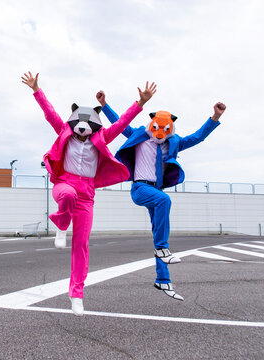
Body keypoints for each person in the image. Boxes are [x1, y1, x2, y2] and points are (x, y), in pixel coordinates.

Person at [22, 71, 156, 315]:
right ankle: (62, 225)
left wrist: (141, 103)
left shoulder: (102, 137)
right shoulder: (63, 131)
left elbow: (121, 123)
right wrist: (36, 90)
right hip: (65, 184)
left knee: (81, 244)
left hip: (87, 194)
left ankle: (76, 293)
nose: (82, 128)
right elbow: (50, 113)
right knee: (68, 195)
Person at [97, 90, 226, 300]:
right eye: (157, 128)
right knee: (165, 201)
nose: (160, 134)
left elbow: (198, 137)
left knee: (159, 234)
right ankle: (164, 249)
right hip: (140, 189)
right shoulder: (139, 135)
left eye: (165, 130)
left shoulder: (173, 142)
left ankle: (163, 280)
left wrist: (215, 117)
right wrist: (104, 105)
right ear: (151, 124)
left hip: (156, 191)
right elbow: (120, 123)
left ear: (170, 129)